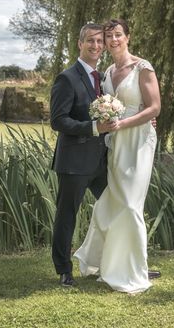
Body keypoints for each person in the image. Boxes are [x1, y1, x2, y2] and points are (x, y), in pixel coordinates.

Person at [74, 18, 161, 294]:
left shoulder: (143, 67)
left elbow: (154, 108)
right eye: (108, 36)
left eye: (118, 35)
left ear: (128, 37)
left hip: (138, 141)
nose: (112, 40)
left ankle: (133, 270)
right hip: (115, 143)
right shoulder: (108, 71)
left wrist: (125, 122)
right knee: (114, 202)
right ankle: (111, 263)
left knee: (131, 204)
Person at [49, 23, 113, 287]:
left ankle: (121, 263)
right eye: (90, 41)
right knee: (67, 216)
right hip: (74, 162)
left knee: (118, 208)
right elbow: (58, 120)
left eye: (100, 41)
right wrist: (93, 128)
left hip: (101, 161)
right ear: (79, 43)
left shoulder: (104, 79)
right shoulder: (67, 78)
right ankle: (64, 270)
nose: (95, 46)